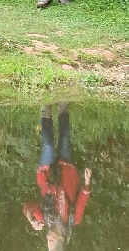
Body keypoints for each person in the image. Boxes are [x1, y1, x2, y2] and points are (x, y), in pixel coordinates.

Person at [23, 104, 92, 250]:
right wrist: (87, 182)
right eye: (51, 242)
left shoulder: (44, 220)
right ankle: (63, 108)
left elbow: (27, 206)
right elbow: (81, 201)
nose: (47, 239)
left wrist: (31, 220)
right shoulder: (73, 220)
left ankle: (46, 111)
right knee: (65, 139)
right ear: (60, 239)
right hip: (68, 171)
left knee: (48, 145)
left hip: (47, 174)